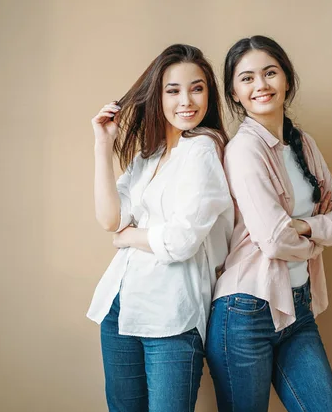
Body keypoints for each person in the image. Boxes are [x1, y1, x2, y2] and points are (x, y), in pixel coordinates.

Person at [206, 35, 332, 412]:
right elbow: (273, 241)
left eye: (270, 73)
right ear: (235, 93)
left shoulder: (304, 143)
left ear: (286, 79)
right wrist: (320, 231)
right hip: (244, 313)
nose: (261, 85)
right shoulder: (244, 150)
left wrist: (303, 228)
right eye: (247, 78)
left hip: (298, 309)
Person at [87, 44, 234, 412]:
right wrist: (102, 146)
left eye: (197, 88)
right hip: (119, 305)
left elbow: (181, 241)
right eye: (173, 90)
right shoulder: (147, 156)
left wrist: (130, 237)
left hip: (172, 312)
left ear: (209, 94)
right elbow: (110, 218)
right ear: (159, 95)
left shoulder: (203, 148)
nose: (187, 100)